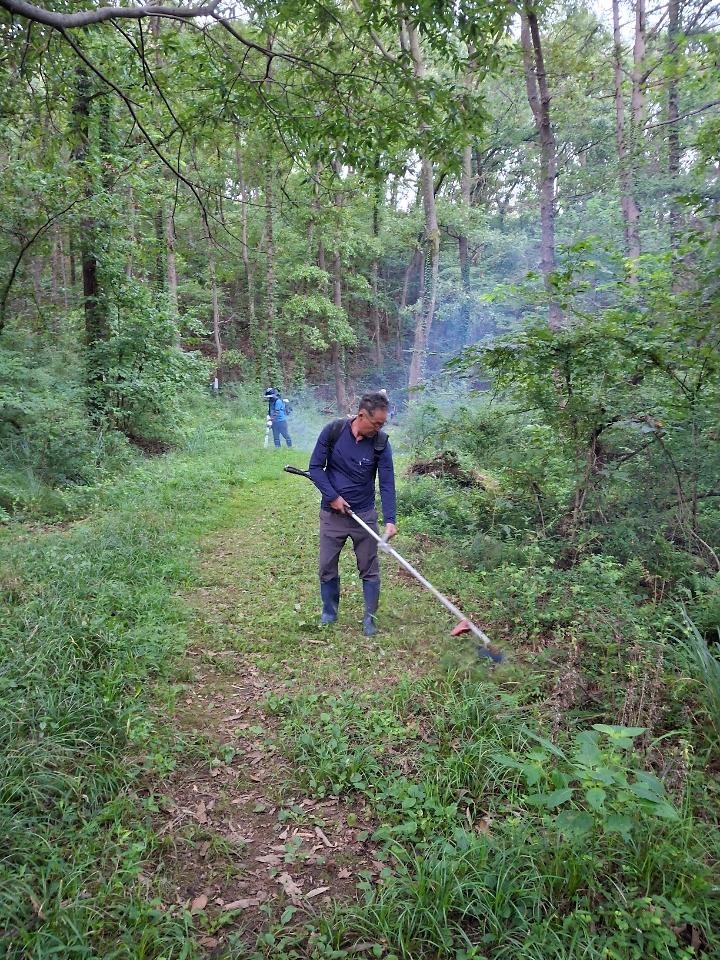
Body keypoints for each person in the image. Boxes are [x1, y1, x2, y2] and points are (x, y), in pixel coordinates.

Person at [308, 391, 397, 636]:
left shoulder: (380, 443)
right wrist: (333, 497)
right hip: (332, 515)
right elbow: (315, 468)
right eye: (376, 423)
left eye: (382, 424)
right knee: (327, 565)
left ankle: (370, 618)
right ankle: (329, 612)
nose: (379, 428)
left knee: (369, 568)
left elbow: (387, 483)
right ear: (361, 415)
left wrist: (390, 519)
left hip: (364, 516)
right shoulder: (333, 431)